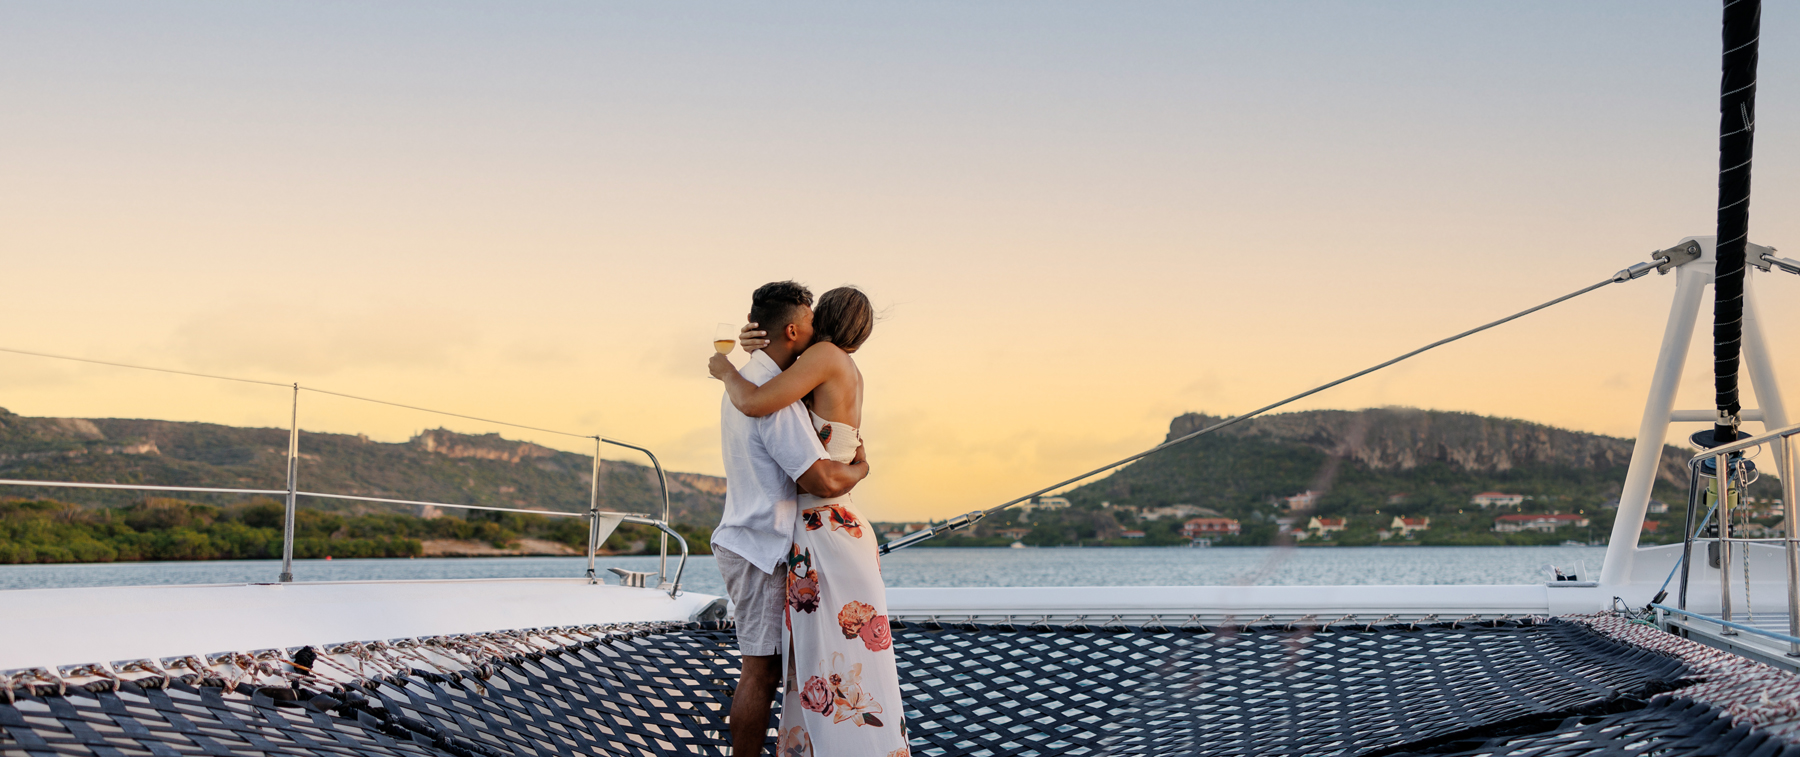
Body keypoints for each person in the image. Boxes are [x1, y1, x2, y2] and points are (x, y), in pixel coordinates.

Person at [711, 285, 909, 757]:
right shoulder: (821, 369)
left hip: (811, 530)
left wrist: (726, 368)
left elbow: (815, 473)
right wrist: (861, 468)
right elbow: (824, 466)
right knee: (829, 663)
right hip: (795, 535)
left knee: (821, 664)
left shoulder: (794, 372)